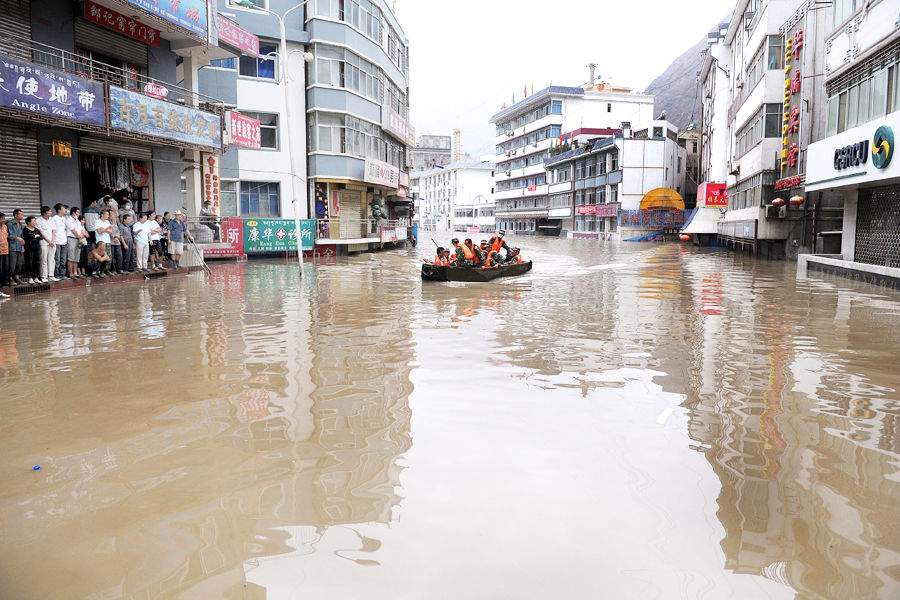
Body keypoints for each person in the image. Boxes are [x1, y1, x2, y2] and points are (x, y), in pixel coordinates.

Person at [36, 206, 56, 282]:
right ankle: (44, 276)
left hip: (53, 242)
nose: (51, 212)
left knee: (52, 259)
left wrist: (53, 240)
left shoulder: (52, 220)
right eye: (49, 211)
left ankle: (51, 275)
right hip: (44, 242)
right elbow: (41, 232)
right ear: (45, 212)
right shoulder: (38, 220)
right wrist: (49, 241)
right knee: (43, 259)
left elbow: (53, 231)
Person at [65, 207, 84, 279]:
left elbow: (81, 229)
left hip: (78, 239)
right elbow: (73, 230)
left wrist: (81, 236)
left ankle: (75, 272)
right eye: (77, 212)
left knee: (76, 258)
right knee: (71, 257)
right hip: (72, 239)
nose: (79, 214)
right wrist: (79, 236)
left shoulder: (77, 221)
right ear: (73, 212)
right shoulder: (69, 220)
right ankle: (71, 273)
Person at [51, 204, 68, 279]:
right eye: (64, 209)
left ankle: (63, 274)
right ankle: (56, 274)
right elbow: (53, 230)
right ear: (59, 210)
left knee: (63, 259)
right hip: (57, 241)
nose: (65, 210)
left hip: (64, 241)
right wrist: (53, 240)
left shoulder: (64, 218)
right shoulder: (54, 218)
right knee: (57, 259)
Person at [22, 216, 42, 284]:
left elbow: (40, 237)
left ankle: (36, 277)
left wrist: (33, 237)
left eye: (35, 221)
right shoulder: (25, 229)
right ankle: (29, 277)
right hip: (29, 248)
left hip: (37, 247)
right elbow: (28, 237)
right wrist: (35, 236)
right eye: (33, 221)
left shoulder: (36, 229)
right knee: (29, 263)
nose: (35, 222)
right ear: (29, 222)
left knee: (36, 262)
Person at [7, 209, 25, 284]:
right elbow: (8, 235)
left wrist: (22, 246)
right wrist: (16, 238)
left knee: (19, 264)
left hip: (19, 246)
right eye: (21, 214)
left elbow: (21, 236)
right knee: (12, 264)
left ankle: (17, 278)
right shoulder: (10, 224)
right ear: (15, 215)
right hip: (12, 247)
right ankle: (10, 279)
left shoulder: (20, 224)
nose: (22, 216)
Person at [0, 212, 9, 290]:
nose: (3, 220)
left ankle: (4, 280)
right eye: (2, 218)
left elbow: (6, 237)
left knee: (5, 267)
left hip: (5, 250)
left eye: (4, 218)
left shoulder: (5, 227)